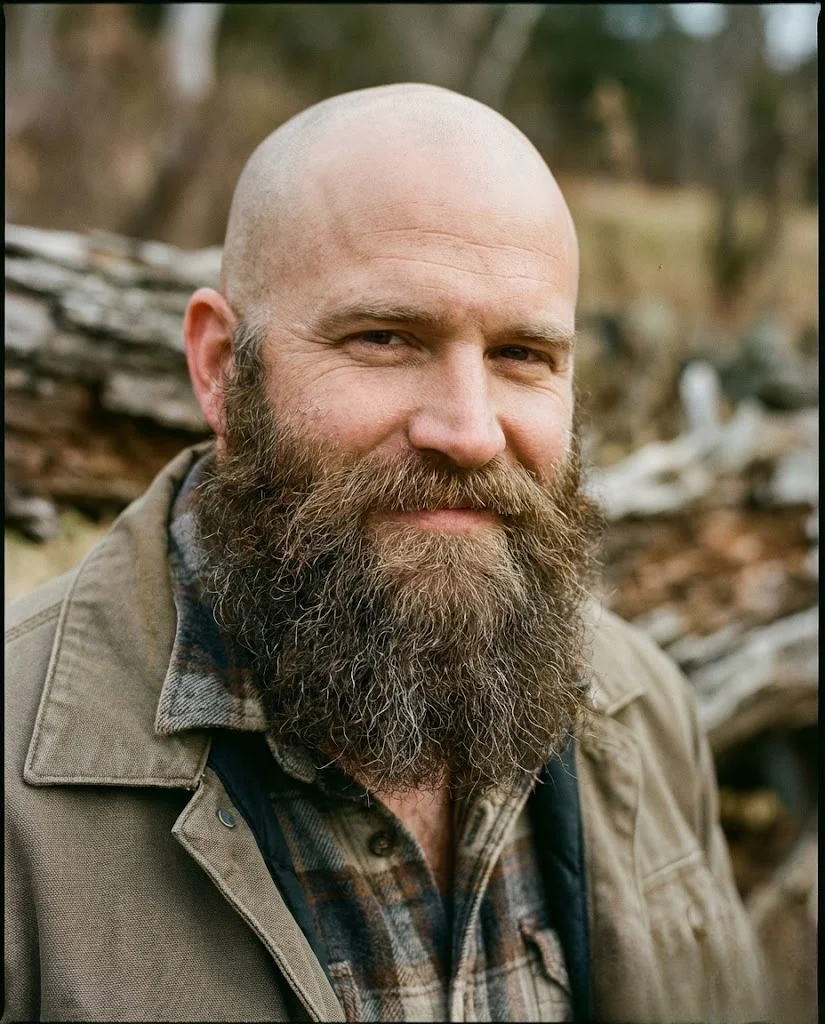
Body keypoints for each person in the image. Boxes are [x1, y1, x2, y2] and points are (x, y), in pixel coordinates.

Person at [5, 83, 768, 1023]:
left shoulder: (642, 712)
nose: (469, 430)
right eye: (386, 338)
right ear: (218, 366)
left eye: (523, 354)